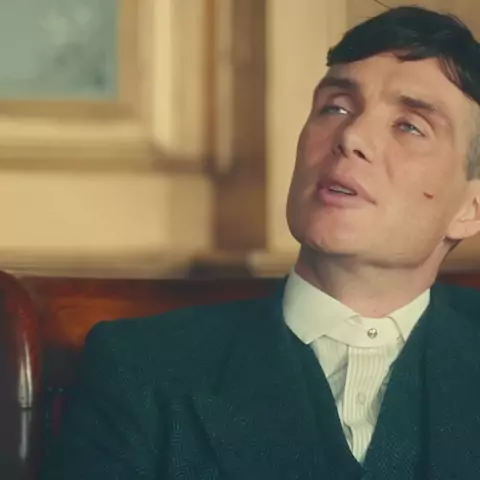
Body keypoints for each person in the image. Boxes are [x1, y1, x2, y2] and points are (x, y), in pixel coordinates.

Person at [44, 6, 480, 479]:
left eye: (410, 126)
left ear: (471, 208)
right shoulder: (142, 368)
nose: (351, 136)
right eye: (335, 107)